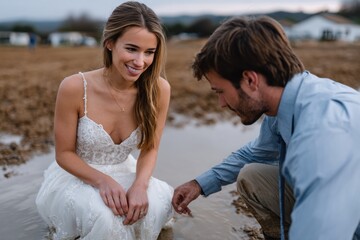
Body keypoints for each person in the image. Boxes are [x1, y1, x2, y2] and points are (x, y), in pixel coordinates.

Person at [172, 15, 360, 240]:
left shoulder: (320, 132)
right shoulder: (284, 102)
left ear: (250, 81)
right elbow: (255, 153)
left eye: (220, 91)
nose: (221, 104)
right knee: (252, 175)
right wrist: (198, 184)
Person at [36, 2, 174, 239]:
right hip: (80, 175)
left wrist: (140, 185)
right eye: (131, 49)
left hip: (128, 171)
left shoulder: (159, 89)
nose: (140, 62)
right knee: (105, 217)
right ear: (110, 43)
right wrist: (102, 181)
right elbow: (64, 154)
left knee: (152, 207)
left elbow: (150, 147)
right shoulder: (74, 87)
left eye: (149, 52)